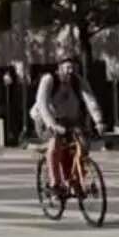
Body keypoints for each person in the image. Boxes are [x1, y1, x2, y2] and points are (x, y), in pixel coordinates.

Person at [32, 60, 105, 196]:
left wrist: (98, 121)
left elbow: (90, 100)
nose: (70, 71)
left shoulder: (78, 81)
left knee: (82, 145)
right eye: (67, 67)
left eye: (73, 68)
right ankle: (55, 184)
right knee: (56, 144)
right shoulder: (49, 80)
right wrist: (52, 125)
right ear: (59, 68)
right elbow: (42, 104)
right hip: (45, 119)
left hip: (70, 120)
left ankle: (74, 181)